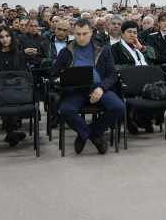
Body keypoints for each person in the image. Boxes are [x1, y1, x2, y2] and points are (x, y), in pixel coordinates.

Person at [49, 19, 124, 155]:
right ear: (73, 33)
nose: (81, 37)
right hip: (74, 90)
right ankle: (94, 137)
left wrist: (101, 88)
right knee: (66, 110)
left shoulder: (103, 50)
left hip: (98, 88)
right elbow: (52, 76)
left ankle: (86, 133)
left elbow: (112, 75)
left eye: (84, 34)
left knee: (118, 107)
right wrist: (58, 80)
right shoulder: (65, 52)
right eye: (78, 34)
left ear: (91, 32)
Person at [0, 27, 29, 147]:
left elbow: (21, 74)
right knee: (4, 101)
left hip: (16, 88)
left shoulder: (19, 54)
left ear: (12, 38)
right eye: (2, 37)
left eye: (7, 36)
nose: (5, 40)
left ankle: (11, 131)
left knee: (13, 99)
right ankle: (12, 132)